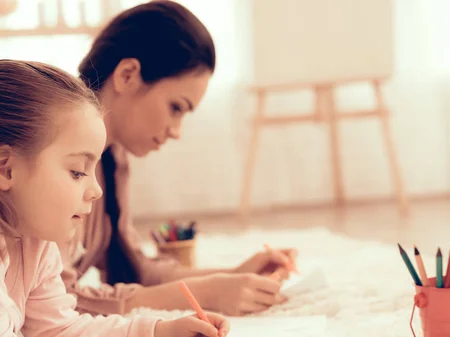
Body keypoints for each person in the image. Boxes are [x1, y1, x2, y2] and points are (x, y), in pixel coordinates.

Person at [0, 59, 229, 337]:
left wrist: (158, 332)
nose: (95, 190)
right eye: (77, 172)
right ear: (5, 169)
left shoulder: (35, 241)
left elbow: (59, 330)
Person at [62, 0, 297, 317]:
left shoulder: (112, 156)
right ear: (127, 75)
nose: (176, 132)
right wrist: (207, 294)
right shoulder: (58, 157)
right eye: (176, 108)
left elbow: (134, 267)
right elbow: (54, 304)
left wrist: (233, 276)